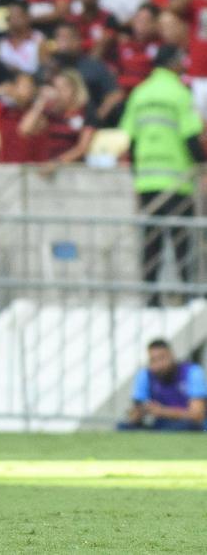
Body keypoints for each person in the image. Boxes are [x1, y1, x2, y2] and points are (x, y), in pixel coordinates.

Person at [119, 45, 204, 302]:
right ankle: (186, 295)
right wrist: (202, 164)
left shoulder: (140, 93)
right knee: (180, 241)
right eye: (180, 61)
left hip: (147, 179)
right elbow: (190, 138)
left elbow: (131, 141)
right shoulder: (180, 93)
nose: (184, 65)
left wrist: (137, 176)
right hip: (177, 180)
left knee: (151, 241)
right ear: (172, 64)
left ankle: (151, 298)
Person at [119, 340, 207, 431]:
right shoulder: (145, 375)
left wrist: (162, 411)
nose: (158, 365)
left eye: (162, 358)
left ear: (172, 356)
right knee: (123, 427)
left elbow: (197, 415)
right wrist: (137, 413)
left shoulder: (192, 372)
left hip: (187, 425)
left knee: (186, 426)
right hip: (159, 425)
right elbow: (136, 410)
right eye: (153, 360)